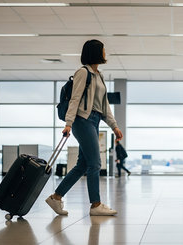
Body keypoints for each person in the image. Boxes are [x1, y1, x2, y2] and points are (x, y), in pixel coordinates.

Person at [46, 40, 123, 216]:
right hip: (83, 120)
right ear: (96, 52)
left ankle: (56, 197)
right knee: (95, 163)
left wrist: (114, 126)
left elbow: (104, 105)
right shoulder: (83, 73)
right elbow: (75, 99)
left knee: (82, 164)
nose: (105, 53)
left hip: (94, 121)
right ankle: (96, 205)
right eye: (103, 50)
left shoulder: (99, 75)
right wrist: (68, 123)